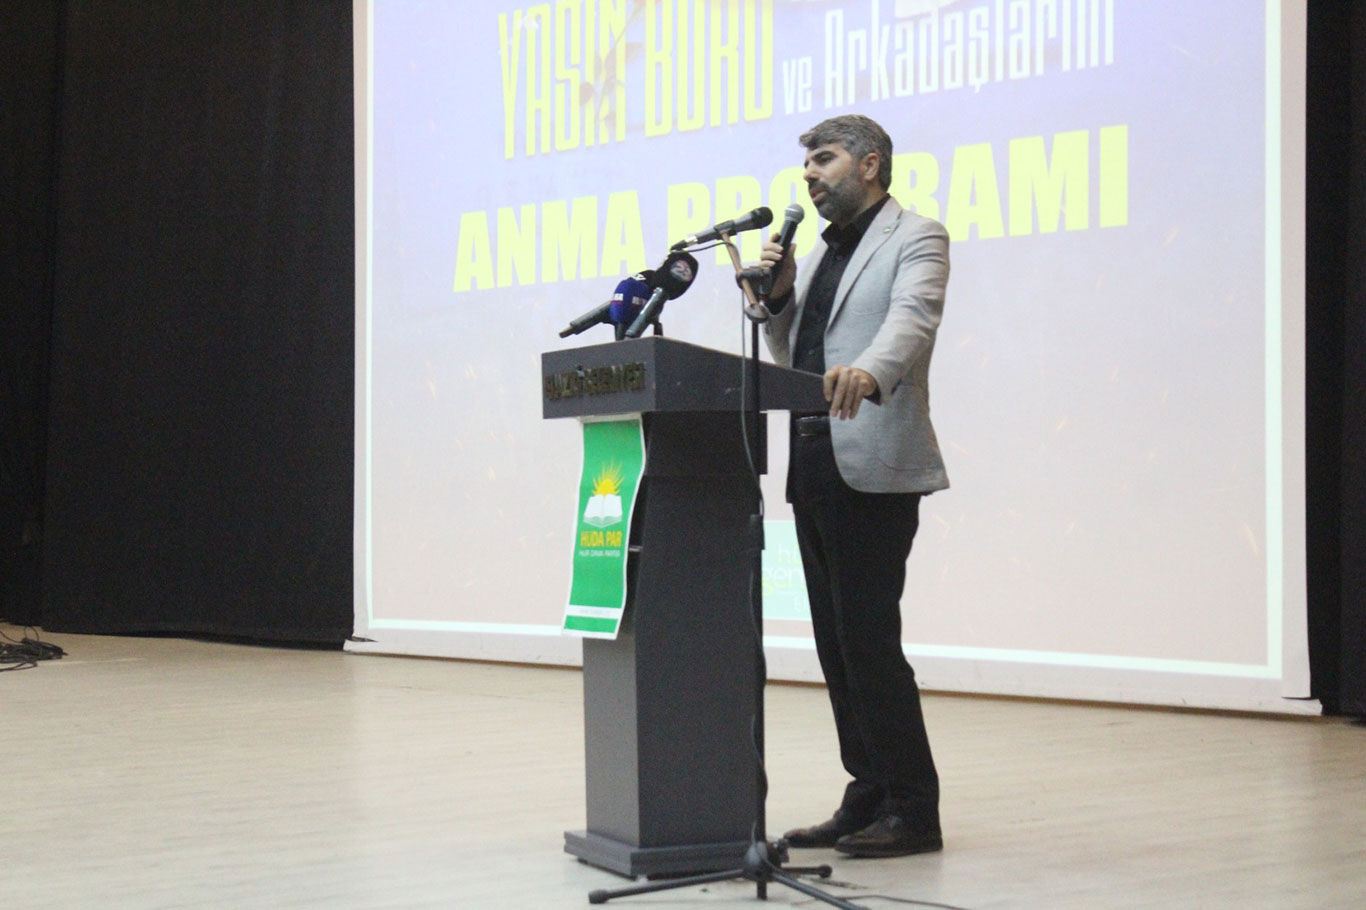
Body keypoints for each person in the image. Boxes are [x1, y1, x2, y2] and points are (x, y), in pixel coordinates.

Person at [757, 114, 950, 858]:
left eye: (824, 158)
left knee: (869, 640)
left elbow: (912, 321)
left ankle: (914, 808)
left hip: (873, 461)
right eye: (807, 161)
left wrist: (871, 371)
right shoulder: (819, 255)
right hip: (813, 460)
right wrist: (779, 299)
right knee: (836, 646)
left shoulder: (916, 237)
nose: (809, 173)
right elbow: (794, 354)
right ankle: (867, 792)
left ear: (869, 165)